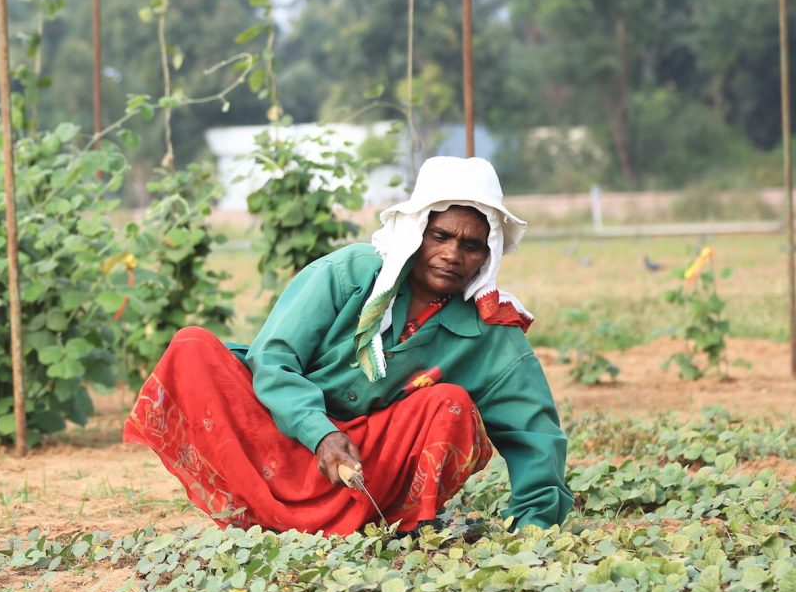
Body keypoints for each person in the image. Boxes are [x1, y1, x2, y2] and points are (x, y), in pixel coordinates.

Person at [124, 156, 570, 535]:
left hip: (368, 466)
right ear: (416, 232)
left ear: (488, 254)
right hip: (285, 432)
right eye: (441, 236)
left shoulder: (490, 328)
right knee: (192, 348)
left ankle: (395, 523)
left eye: (472, 246)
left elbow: (535, 432)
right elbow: (273, 359)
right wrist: (320, 432)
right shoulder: (349, 272)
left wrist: (535, 523)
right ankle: (260, 507)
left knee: (450, 404)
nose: (454, 254)